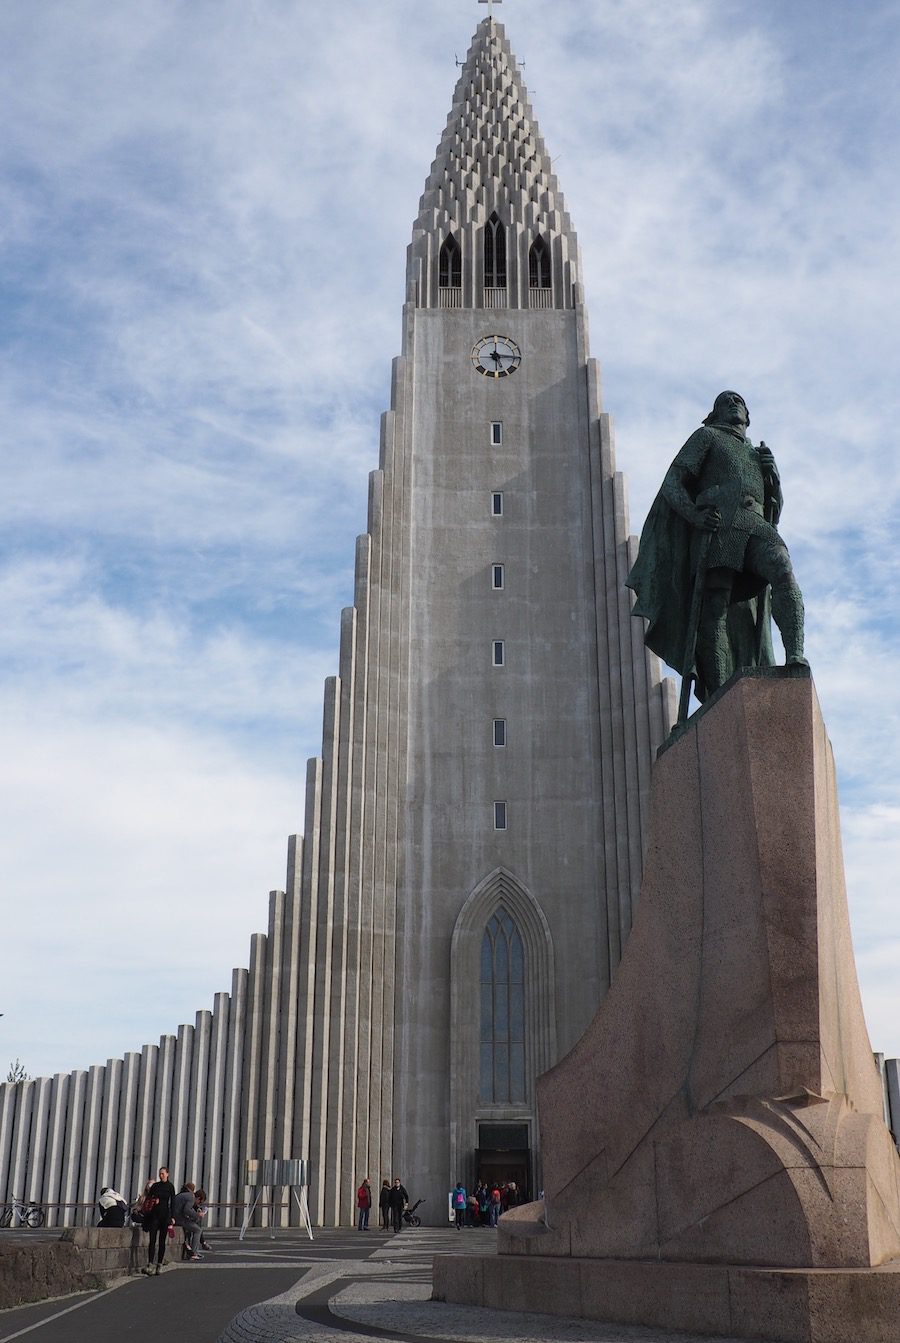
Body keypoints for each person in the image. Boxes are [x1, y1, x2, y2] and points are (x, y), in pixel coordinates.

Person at [626, 391, 806, 703]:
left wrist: (773, 479)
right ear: (715, 413)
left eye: (739, 401)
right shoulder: (707, 436)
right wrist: (694, 515)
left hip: (754, 525)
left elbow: (772, 510)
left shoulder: (756, 454)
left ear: (748, 416)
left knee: (783, 569)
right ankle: (720, 691)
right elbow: (673, 482)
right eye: (725, 401)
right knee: (715, 608)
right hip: (720, 527)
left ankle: (795, 656)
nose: (733, 403)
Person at [142, 1166, 175, 1275]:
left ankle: (159, 1264)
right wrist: (153, 1200)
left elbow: (173, 1202)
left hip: (165, 1216)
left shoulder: (170, 1186)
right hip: (154, 1215)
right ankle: (150, 1263)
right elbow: (148, 1198)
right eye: (160, 1173)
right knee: (152, 1240)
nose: (161, 1175)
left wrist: (173, 1217)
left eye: (163, 1173)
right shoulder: (155, 1186)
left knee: (162, 1241)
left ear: (167, 1174)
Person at [173, 1181, 203, 1261]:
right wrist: (197, 1215)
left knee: (193, 1228)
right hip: (179, 1219)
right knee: (198, 1230)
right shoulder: (191, 1197)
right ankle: (194, 1253)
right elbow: (187, 1210)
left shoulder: (181, 1194)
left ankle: (193, 1251)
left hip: (174, 1217)